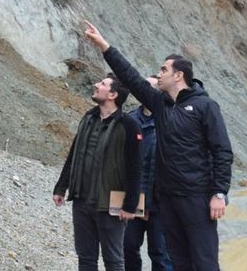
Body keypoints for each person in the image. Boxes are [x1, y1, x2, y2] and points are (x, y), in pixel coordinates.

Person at [83, 20, 233, 271]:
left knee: (205, 262)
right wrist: (104, 46)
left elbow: (222, 151)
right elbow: (132, 79)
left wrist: (219, 193)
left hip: (197, 198)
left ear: (179, 75)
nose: (159, 73)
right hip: (168, 202)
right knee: (179, 262)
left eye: (164, 69)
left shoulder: (205, 106)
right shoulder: (162, 105)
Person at [53, 73, 143, 271]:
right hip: (82, 201)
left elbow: (136, 168)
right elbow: (73, 155)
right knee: (85, 258)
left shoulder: (128, 125)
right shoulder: (88, 118)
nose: (96, 85)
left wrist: (130, 205)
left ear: (113, 95)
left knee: (113, 260)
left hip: (110, 205)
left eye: (102, 84)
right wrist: (61, 187)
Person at [124, 76, 174, 271]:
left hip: (161, 204)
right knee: (126, 247)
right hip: (132, 198)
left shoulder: (170, 122)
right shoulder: (128, 120)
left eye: (149, 86)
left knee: (161, 254)